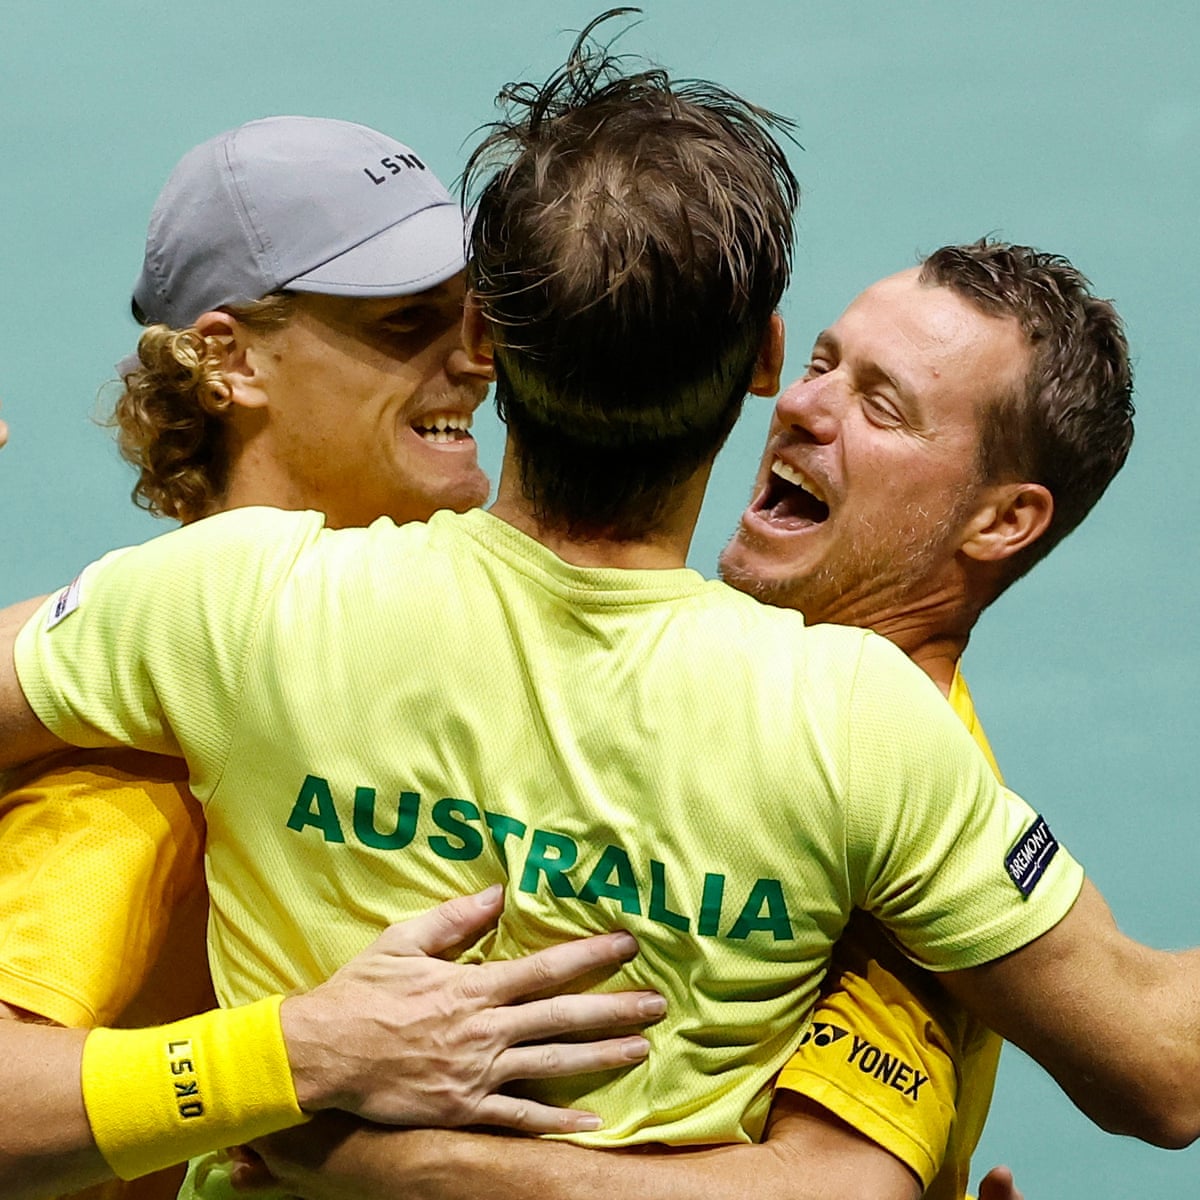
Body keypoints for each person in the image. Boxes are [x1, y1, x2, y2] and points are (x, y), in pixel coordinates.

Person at [243, 238, 1120, 1200]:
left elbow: (839, 1185)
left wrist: (374, 1151)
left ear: (1000, 522)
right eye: (822, 363)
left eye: (880, 405)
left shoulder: (903, 771)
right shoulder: (713, 672)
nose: (798, 405)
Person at [0, 114, 666, 1200]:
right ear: (230, 359)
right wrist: (300, 1054)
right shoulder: (138, 765)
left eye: (476, 320)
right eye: (408, 323)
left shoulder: (414, 675)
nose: (474, 362)